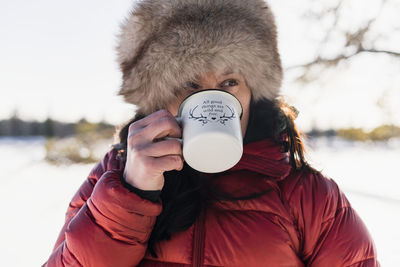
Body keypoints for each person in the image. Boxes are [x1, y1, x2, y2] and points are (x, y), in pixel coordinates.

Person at [44, 0, 379, 266]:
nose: (212, 95)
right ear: (160, 98)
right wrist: (131, 197)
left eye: (230, 82)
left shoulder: (308, 196)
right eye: (190, 84)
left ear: (253, 94)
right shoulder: (113, 180)